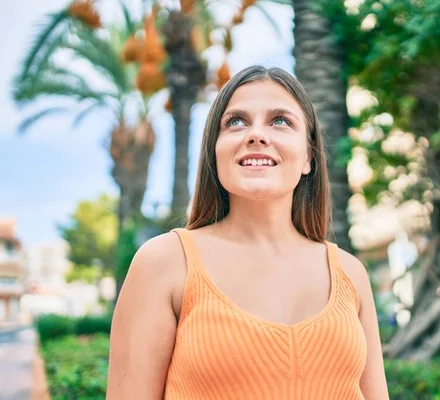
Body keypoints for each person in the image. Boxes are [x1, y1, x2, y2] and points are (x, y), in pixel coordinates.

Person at [106, 65, 389, 400]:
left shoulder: (349, 272)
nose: (256, 135)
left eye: (280, 120)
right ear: (215, 151)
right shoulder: (164, 263)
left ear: (308, 157)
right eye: (236, 122)